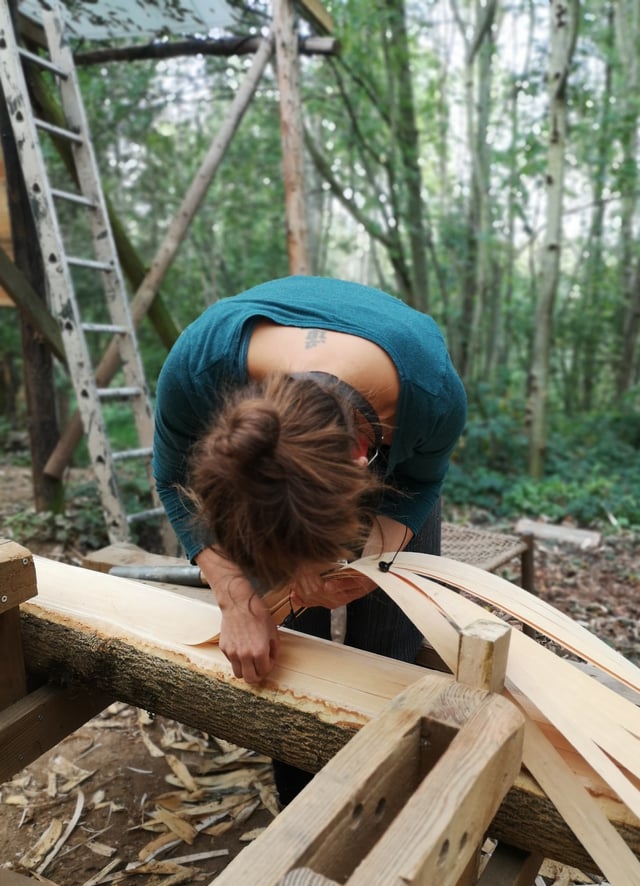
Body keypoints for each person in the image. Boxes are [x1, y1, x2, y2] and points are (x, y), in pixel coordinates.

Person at [152, 274, 467, 801]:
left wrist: (375, 562)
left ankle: (385, 792)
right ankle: (303, 803)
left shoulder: (430, 395)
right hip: (282, 463)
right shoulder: (197, 369)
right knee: (292, 651)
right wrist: (236, 596)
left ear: (362, 459)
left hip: (394, 451)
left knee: (390, 647)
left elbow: (421, 481)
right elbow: (170, 479)